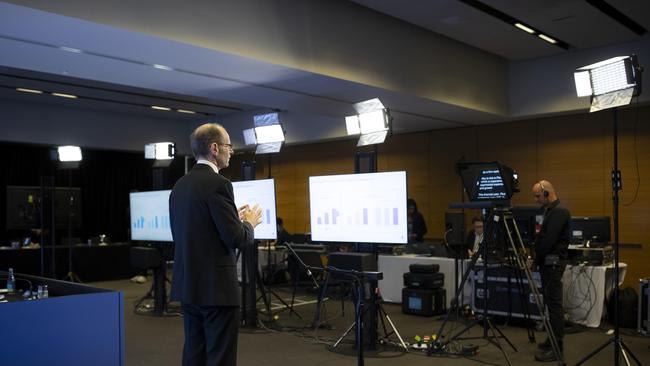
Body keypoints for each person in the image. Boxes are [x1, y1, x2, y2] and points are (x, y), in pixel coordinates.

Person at [169, 123, 262, 366]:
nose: (231, 151)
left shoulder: (179, 186)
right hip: (216, 290)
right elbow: (236, 239)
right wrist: (249, 224)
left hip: (189, 285)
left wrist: (234, 219)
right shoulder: (219, 183)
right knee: (220, 358)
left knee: (194, 355)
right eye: (229, 146)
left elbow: (194, 231)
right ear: (214, 148)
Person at [531, 180, 571, 362]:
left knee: (554, 306)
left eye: (538, 196)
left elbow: (548, 242)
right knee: (550, 304)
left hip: (553, 264)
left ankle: (557, 348)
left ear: (547, 193)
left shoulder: (559, 212)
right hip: (548, 264)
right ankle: (552, 339)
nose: (536, 199)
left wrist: (536, 254)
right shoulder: (550, 211)